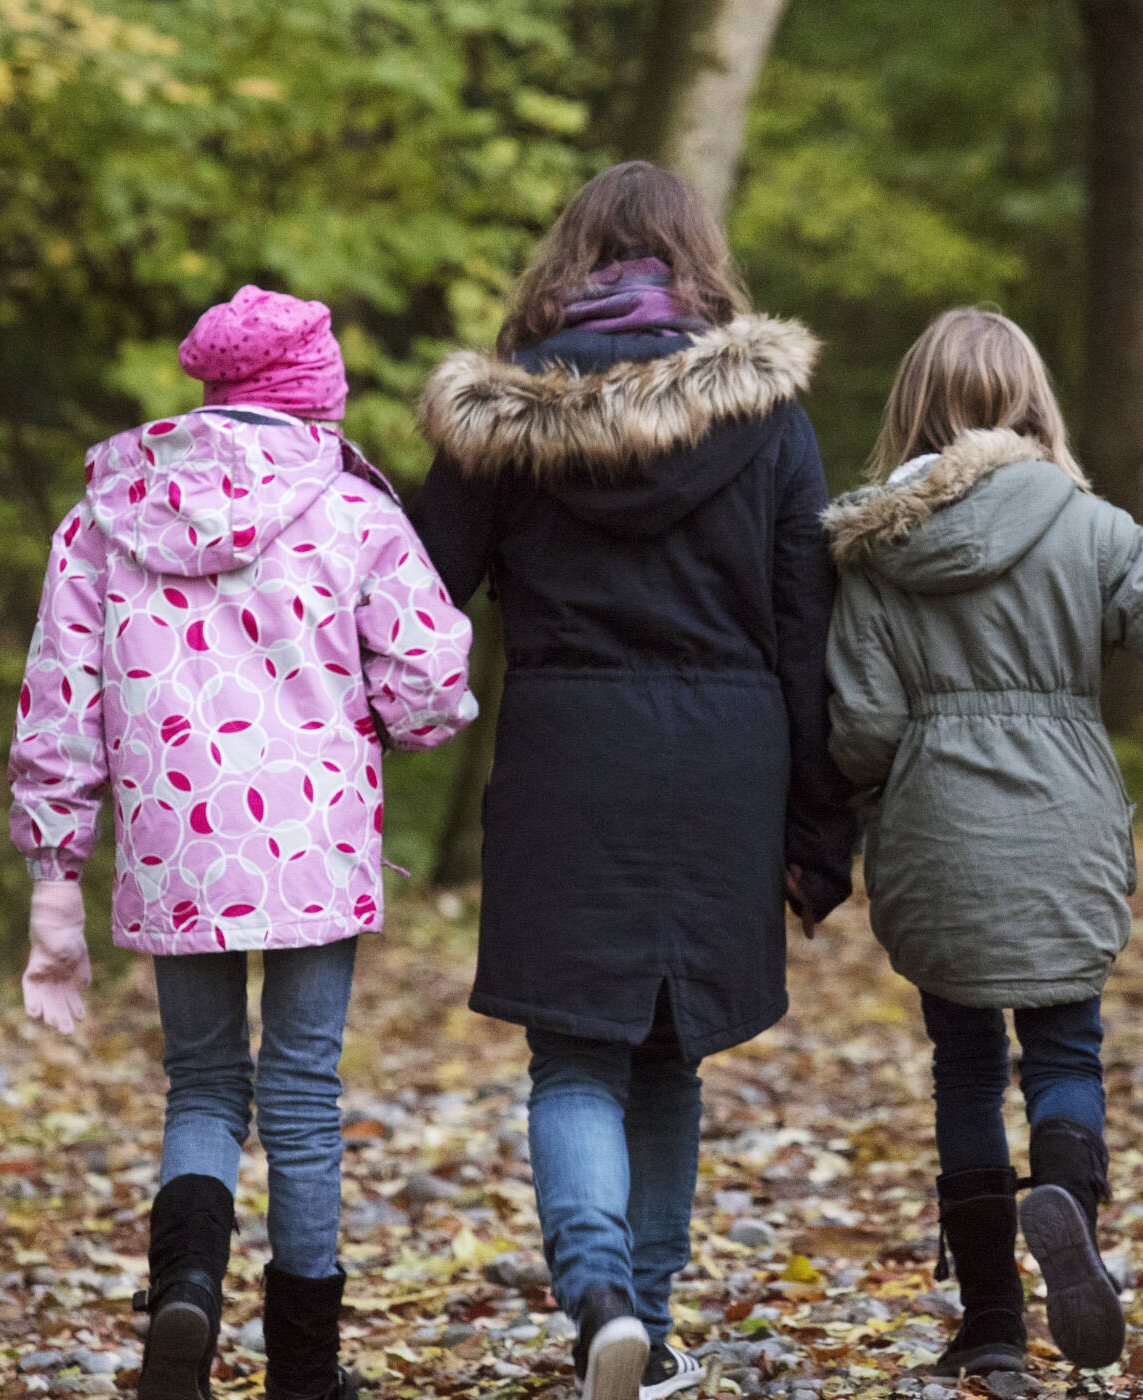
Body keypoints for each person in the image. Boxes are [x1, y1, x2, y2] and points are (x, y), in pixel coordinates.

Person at [409, 160, 856, 1400]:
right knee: (668, 1054)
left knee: (574, 1059)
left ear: (568, 260)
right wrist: (820, 827)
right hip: (727, 751)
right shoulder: (765, 415)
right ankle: (642, 1333)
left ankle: (598, 1290)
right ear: (692, 261)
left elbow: (416, 596)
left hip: (566, 748)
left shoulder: (497, 423)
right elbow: (804, 624)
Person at [7, 286, 480, 1400]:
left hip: (177, 846)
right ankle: (304, 1370)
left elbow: (58, 699)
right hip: (310, 838)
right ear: (313, 392)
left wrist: (53, 867)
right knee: (304, 1095)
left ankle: (184, 1294)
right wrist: (397, 719)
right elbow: (426, 684)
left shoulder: (105, 512)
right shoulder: (352, 509)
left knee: (204, 1085)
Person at [819, 307, 1143, 1377]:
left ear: (911, 407)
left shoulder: (872, 551)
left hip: (937, 836)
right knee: (1064, 1048)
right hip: (1065, 827)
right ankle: (1065, 1195)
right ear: (1031, 404)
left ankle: (988, 1329)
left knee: (964, 1068)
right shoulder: (1094, 529)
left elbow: (864, 731)